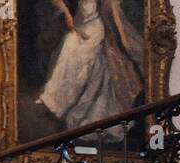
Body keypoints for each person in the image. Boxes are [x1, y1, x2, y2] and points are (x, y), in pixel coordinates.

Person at [37, 0, 144, 140]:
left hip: (95, 29)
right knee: (69, 45)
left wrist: (123, 40)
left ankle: (70, 110)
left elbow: (113, 13)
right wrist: (67, 14)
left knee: (85, 57)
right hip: (79, 27)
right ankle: (56, 105)